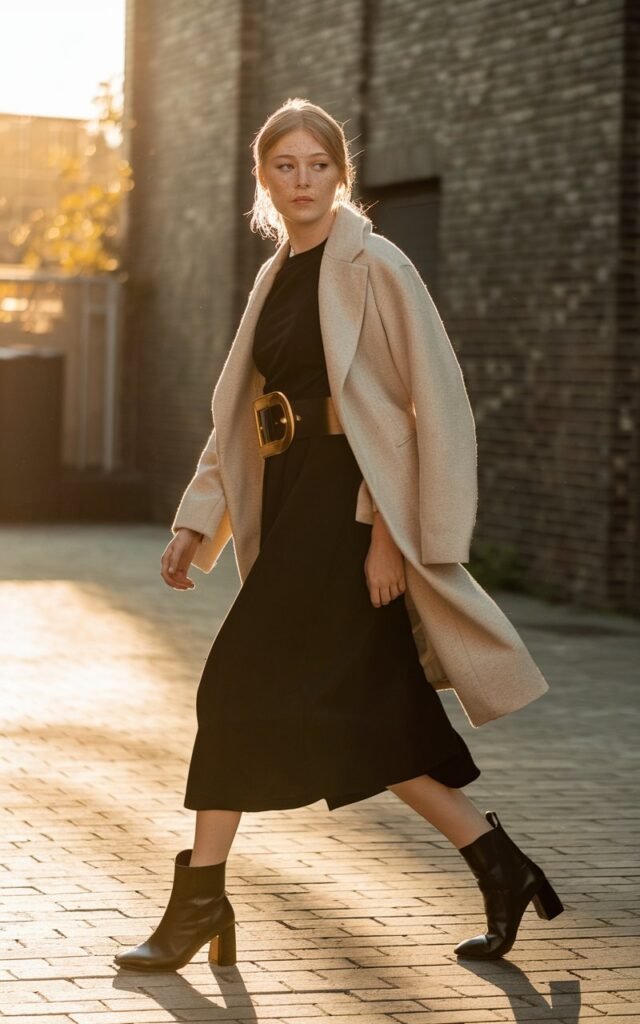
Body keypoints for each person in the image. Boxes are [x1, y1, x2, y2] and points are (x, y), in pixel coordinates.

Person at [114, 98, 563, 973]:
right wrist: (197, 520)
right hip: (288, 502)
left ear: (341, 174)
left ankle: (200, 903)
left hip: (349, 515)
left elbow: (425, 406)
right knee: (373, 724)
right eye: (285, 166)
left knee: (232, 690)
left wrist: (389, 533)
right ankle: (503, 869)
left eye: (319, 164)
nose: (303, 180)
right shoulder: (274, 275)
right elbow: (242, 416)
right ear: (262, 179)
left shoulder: (377, 264)